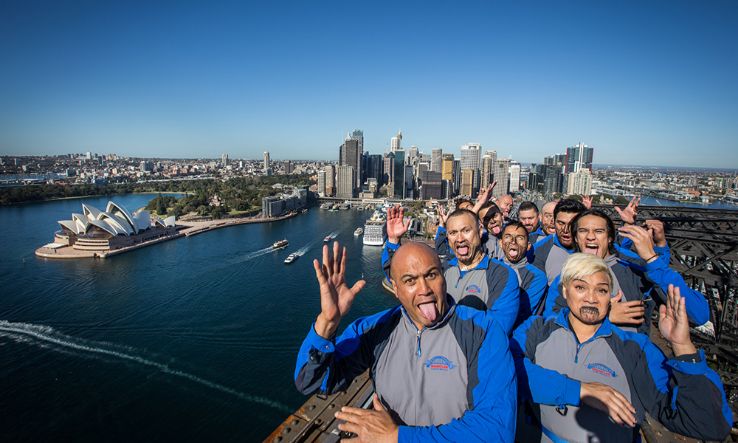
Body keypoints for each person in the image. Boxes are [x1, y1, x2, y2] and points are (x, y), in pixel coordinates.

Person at [295, 241, 517, 442]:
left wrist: (398, 437)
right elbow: (313, 382)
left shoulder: (483, 332)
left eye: (431, 275)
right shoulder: (375, 330)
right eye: (410, 280)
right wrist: (327, 323)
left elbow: (497, 430)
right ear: (395, 288)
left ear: (444, 277)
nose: (424, 290)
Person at [511, 253, 732, 442]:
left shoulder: (634, 349)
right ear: (565, 291)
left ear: (611, 297)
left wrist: (683, 346)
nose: (591, 298)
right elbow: (508, 373)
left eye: (601, 290)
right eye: (580, 287)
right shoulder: (537, 330)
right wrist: (580, 389)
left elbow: (707, 425)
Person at [541, 209, 710, 330]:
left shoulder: (633, 271)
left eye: (598, 231)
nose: (591, 236)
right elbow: (551, 322)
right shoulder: (565, 277)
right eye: (583, 231)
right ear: (576, 238)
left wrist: (652, 258)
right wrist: (603, 316)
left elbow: (698, 314)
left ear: (609, 239)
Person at [383, 206, 520, 334]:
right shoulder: (443, 269)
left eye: (466, 231)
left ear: (480, 231)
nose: (459, 239)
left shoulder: (501, 275)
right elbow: (402, 279)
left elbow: (498, 328)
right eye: (453, 233)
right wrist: (393, 241)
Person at [499, 221, 548, 326]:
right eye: (508, 237)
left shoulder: (537, 277)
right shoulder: (492, 268)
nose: (513, 241)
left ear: (528, 246)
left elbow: (522, 312)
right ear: (500, 242)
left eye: (520, 238)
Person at [530, 199, 586, 283]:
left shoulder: (595, 247)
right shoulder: (538, 250)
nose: (565, 229)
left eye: (572, 224)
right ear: (554, 222)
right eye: (561, 223)